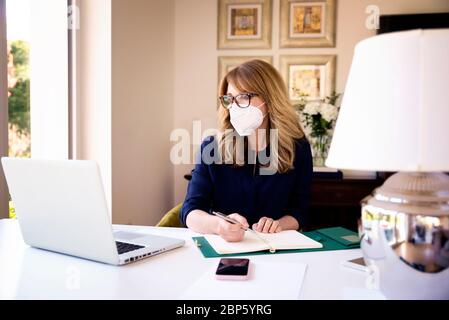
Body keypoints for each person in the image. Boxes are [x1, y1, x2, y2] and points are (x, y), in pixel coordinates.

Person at [180, 59, 313, 242]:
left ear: (269, 98)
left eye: (243, 96)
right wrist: (219, 226)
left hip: (275, 247)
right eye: (229, 98)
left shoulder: (297, 148)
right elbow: (190, 211)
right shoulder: (212, 147)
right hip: (225, 246)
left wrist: (278, 224)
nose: (234, 106)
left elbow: (300, 211)